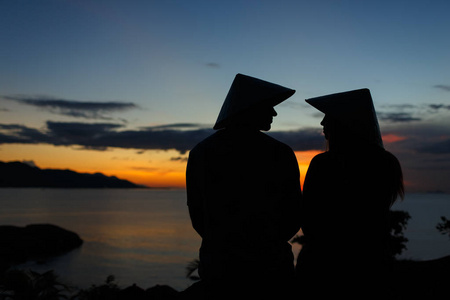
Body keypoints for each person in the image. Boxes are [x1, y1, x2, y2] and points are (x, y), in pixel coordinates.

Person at [186, 74, 302, 298]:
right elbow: (293, 214)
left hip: (220, 266)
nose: (274, 113)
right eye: (269, 106)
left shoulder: (201, 152)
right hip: (271, 267)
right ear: (251, 108)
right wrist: (267, 242)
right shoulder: (279, 153)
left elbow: (198, 216)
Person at [296, 89, 404, 299]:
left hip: (322, 268)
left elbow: (308, 221)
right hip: (371, 266)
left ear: (343, 121)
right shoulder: (386, 163)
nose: (322, 123)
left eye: (328, 117)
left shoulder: (323, 164)